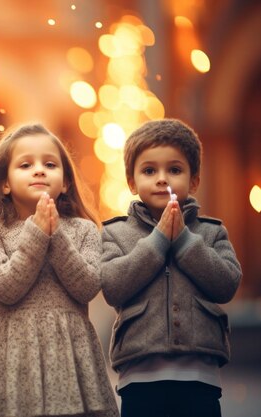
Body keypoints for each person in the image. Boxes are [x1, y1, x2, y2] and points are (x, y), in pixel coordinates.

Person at [0, 123, 119, 417]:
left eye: (49, 164)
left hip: (70, 354)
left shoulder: (84, 230)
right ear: (5, 183)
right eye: (25, 164)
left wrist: (55, 234)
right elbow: (6, 288)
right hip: (13, 355)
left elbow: (86, 286)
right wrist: (37, 233)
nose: (39, 170)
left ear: (66, 182)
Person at [101, 119, 242, 417]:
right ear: (131, 181)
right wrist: (158, 241)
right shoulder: (115, 233)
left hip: (200, 377)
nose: (162, 179)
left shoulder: (211, 232)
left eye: (174, 170)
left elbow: (227, 284)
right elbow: (113, 287)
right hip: (139, 377)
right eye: (149, 170)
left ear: (194, 182)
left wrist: (185, 241)